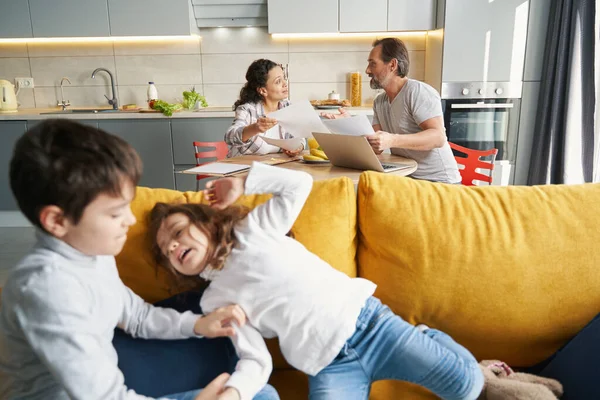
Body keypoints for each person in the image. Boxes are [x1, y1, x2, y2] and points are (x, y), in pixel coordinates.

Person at [150, 162, 484, 400]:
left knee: (469, 388)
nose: (174, 246)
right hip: (328, 366)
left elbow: (298, 185)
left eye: (178, 232)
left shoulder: (252, 230)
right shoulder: (213, 302)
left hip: (373, 327)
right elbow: (256, 358)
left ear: (205, 223)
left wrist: (243, 182)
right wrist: (235, 392)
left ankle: (428, 335)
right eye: (167, 250)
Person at [0, 119, 279, 400]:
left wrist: (197, 326)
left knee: (260, 393)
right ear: (57, 221)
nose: (130, 220)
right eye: (115, 213)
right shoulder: (47, 289)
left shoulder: (93, 254)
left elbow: (137, 316)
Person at [322, 38, 461, 184]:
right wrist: (349, 122)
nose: (367, 70)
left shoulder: (418, 92)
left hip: (439, 182)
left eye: (373, 63)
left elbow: (438, 137)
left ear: (392, 65)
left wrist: (392, 140)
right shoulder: (380, 101)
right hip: (408, 179)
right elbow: (376, 147)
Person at [225, 59, 303, 158]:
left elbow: (299, 137)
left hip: (275, 166)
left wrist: (298, 147)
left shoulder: (288, 107)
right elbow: (229, 137)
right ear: (263, 90)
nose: (285, 84)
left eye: (284, 78)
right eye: (278, 81)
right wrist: (254, 128)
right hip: (242, 168)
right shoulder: (248, 110)